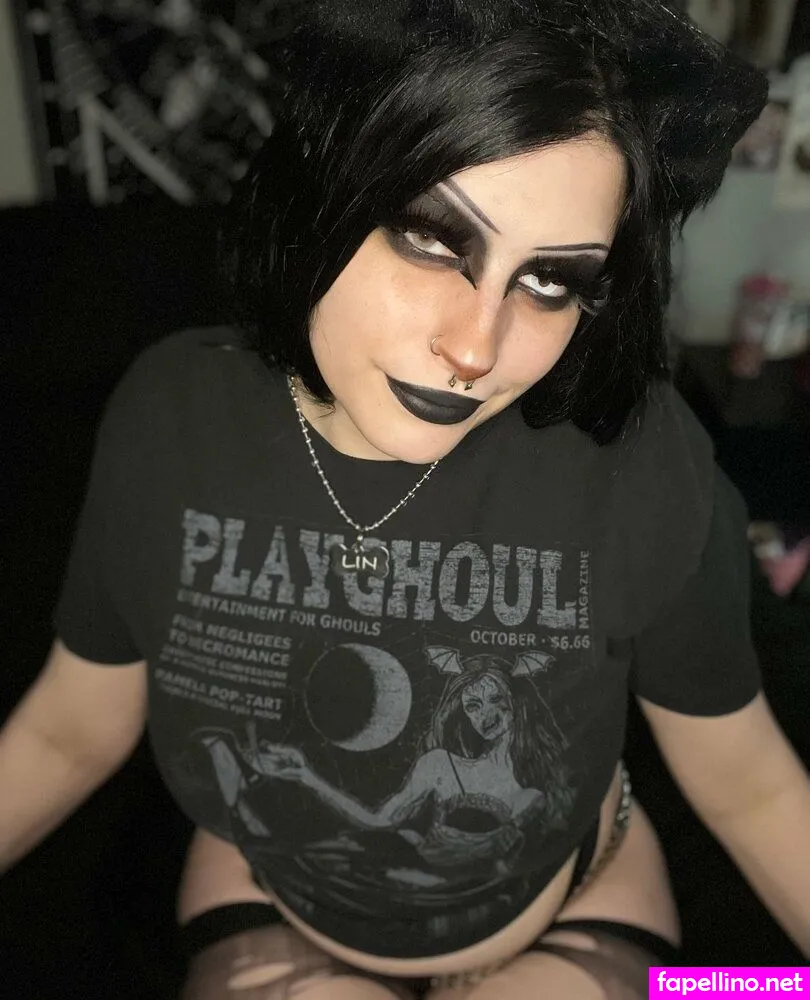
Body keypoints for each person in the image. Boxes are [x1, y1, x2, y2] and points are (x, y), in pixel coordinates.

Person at [2, 2, 809, 998]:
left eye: (550, 283)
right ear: (321, 194)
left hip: (579, 905)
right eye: (431, 239)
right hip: (270, 902)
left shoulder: (642, 463)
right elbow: (68, 730)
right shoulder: (171, 417)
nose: (475, 347)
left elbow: (749, 782)